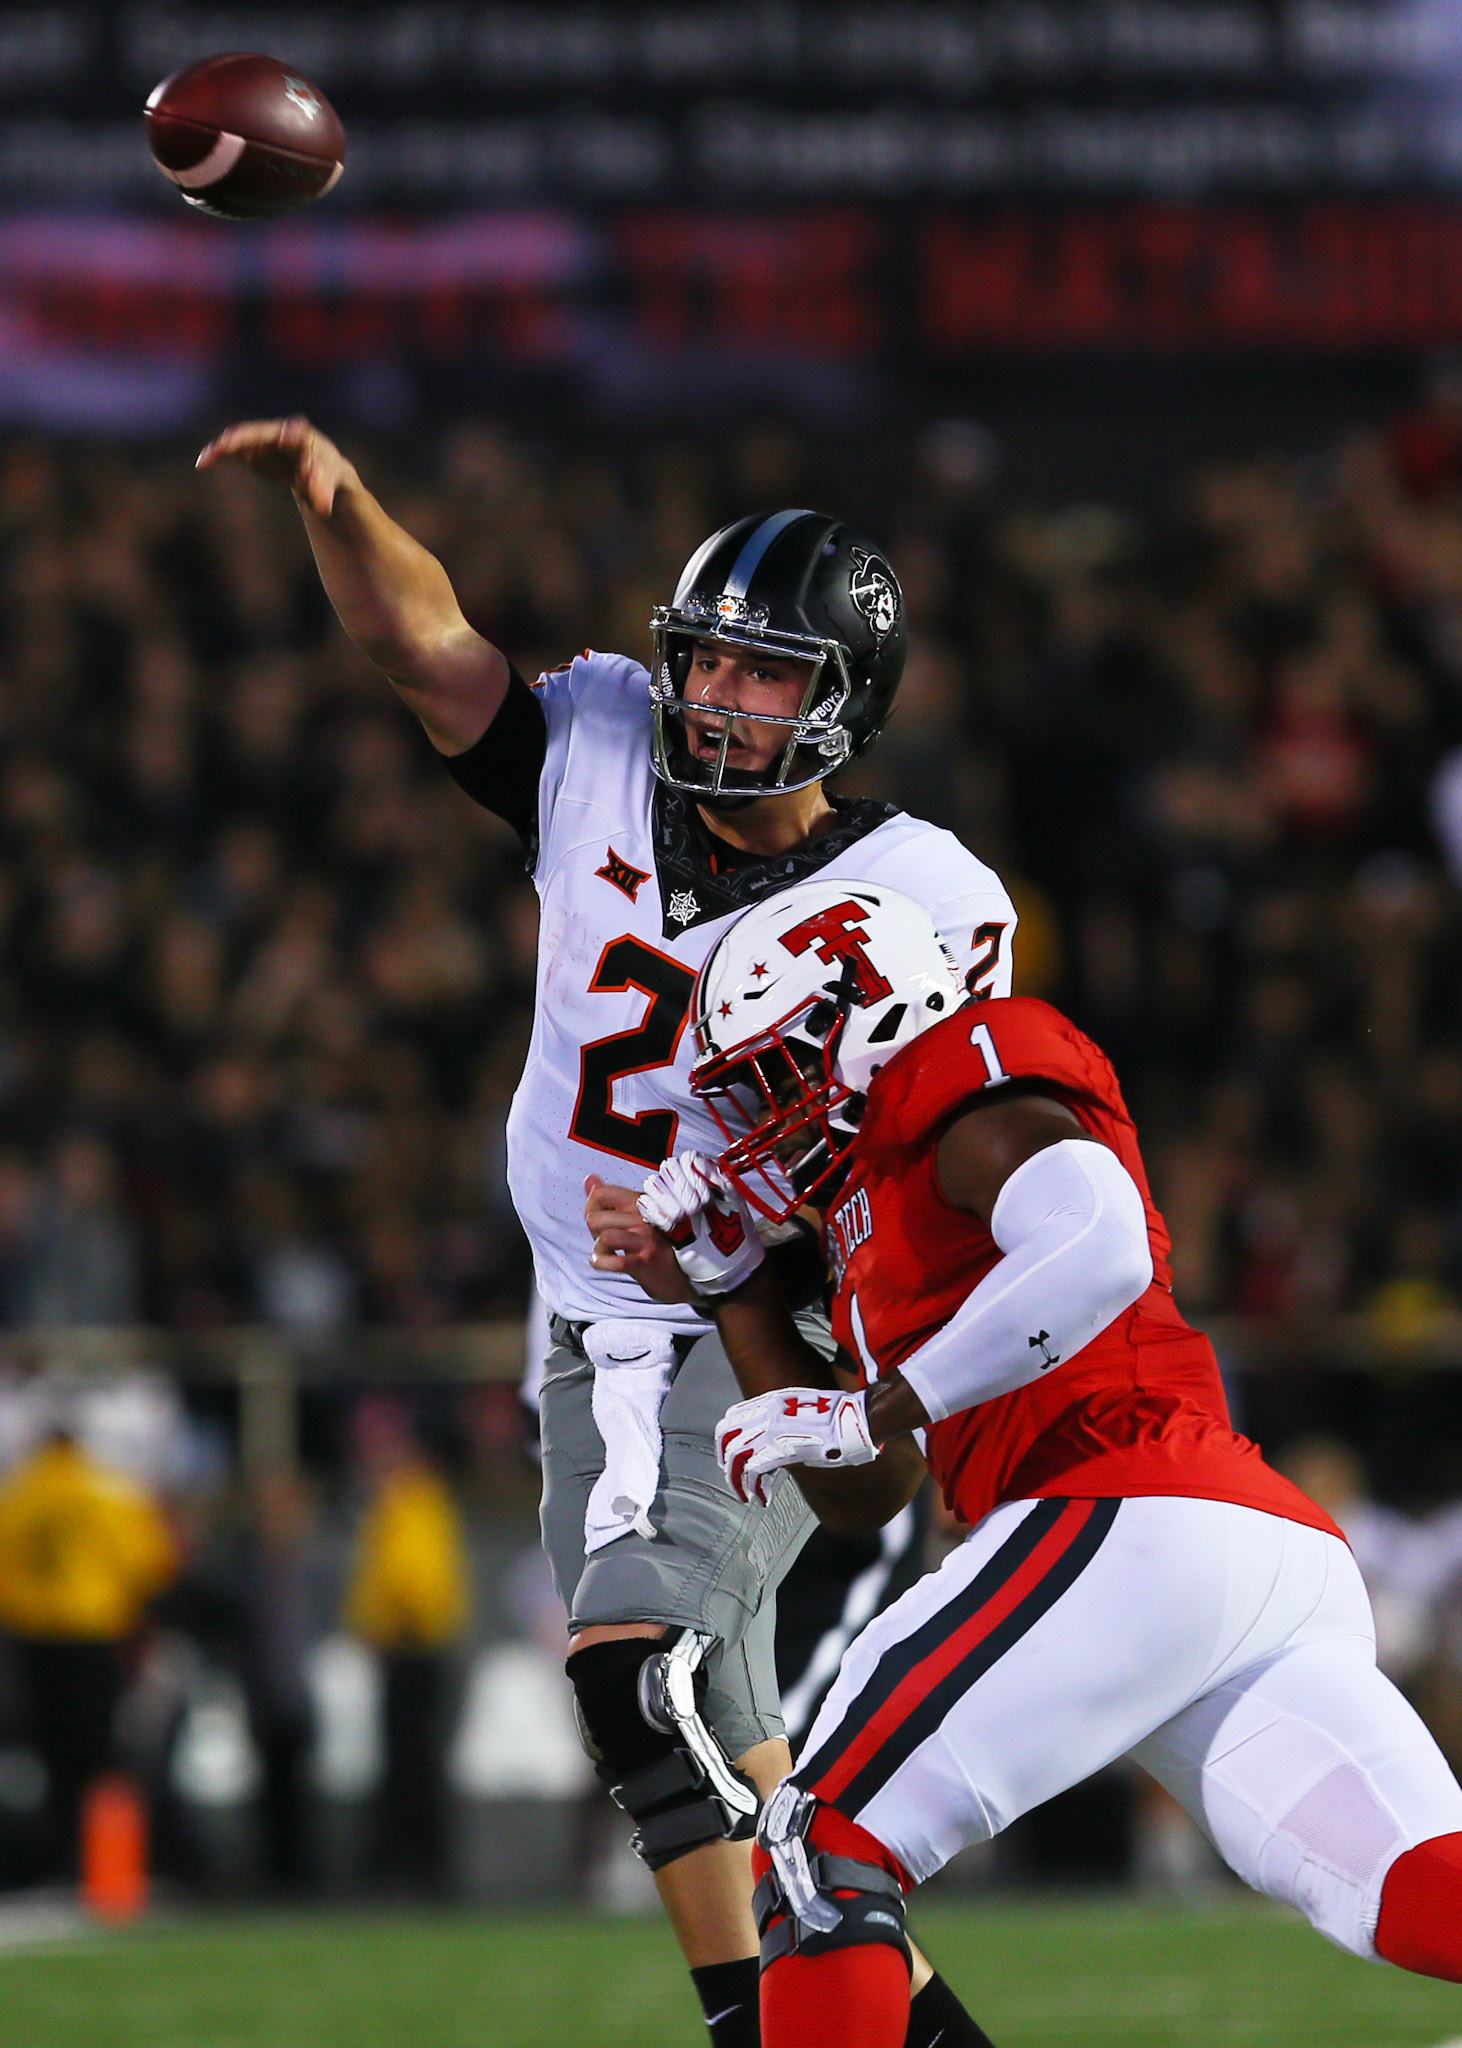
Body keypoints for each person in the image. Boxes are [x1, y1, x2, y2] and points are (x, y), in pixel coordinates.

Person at [195, 417, 1014, 2048]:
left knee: (631, 1667)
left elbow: (951, 1156)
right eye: (707, 664)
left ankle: (752, 2030)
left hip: (758, 1309)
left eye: (763, 676)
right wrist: (341, 501)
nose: (717, 698)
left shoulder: (925, 888)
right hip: (591, 1315)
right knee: (716, 1725)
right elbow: (424, 646)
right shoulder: (597, 748)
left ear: (843, 697)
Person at [588, 875, 1462, 2048]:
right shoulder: (875, 1203)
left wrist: (880, 1401)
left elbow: (1094, 1239)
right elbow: (869, 1492)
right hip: (1240, 1547)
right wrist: (735, 1287)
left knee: (817, 1839)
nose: (768, 1108)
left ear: (869, 1006)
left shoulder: (961, 1072)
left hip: (1128, 1506)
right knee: (1402, 1880)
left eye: (781, 1066)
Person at [0, 1424, 177, 1879]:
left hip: (33, 1637)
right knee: (101, 1754)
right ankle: (104, 1860)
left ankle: (59, 1857)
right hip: (95, 1636)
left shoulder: (19, 1493)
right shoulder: (109, 1490)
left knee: (49, 1755)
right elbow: (149, 1566)